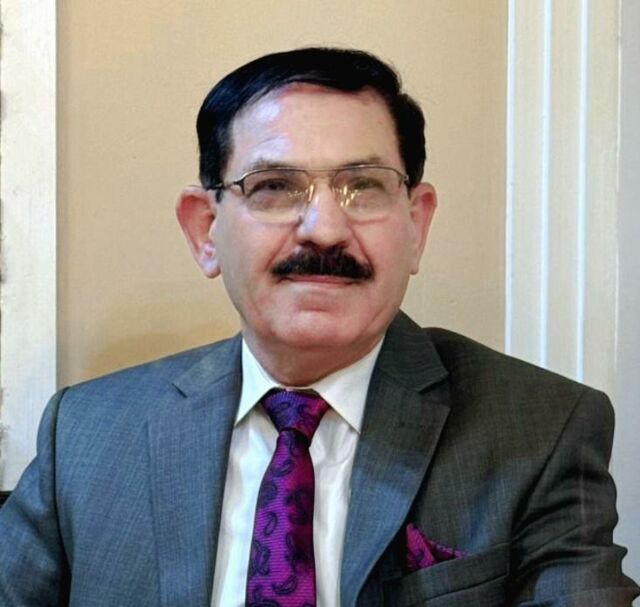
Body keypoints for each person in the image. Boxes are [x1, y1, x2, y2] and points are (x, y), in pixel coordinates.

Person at [0, 47, 637, 607]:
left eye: (365, 186)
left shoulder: (541, 431)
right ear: (205, 231)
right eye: (275, 187)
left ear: (416, 224)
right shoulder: (84, 436)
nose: (326, 230)